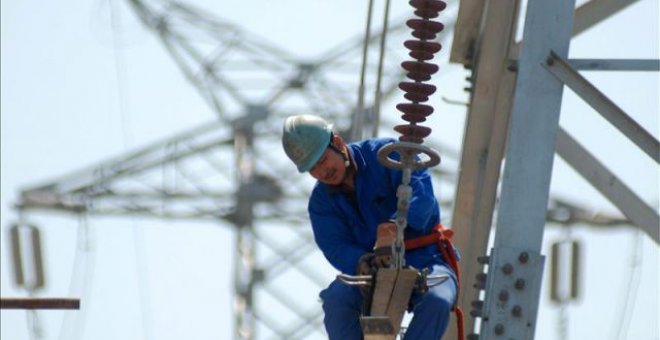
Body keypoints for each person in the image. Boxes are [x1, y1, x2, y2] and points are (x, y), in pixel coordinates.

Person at [281, 114, 457, 340]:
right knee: (336, 301)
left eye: (323, 160)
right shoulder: (321, 203)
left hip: (425, 258)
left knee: (438, 300)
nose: (322, 172)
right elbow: (335, 246)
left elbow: (423, 200)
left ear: (338, 143)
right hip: (372, 270)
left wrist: (393, 228)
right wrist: (361, 261)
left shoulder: (388, 155)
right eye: (313, 168)